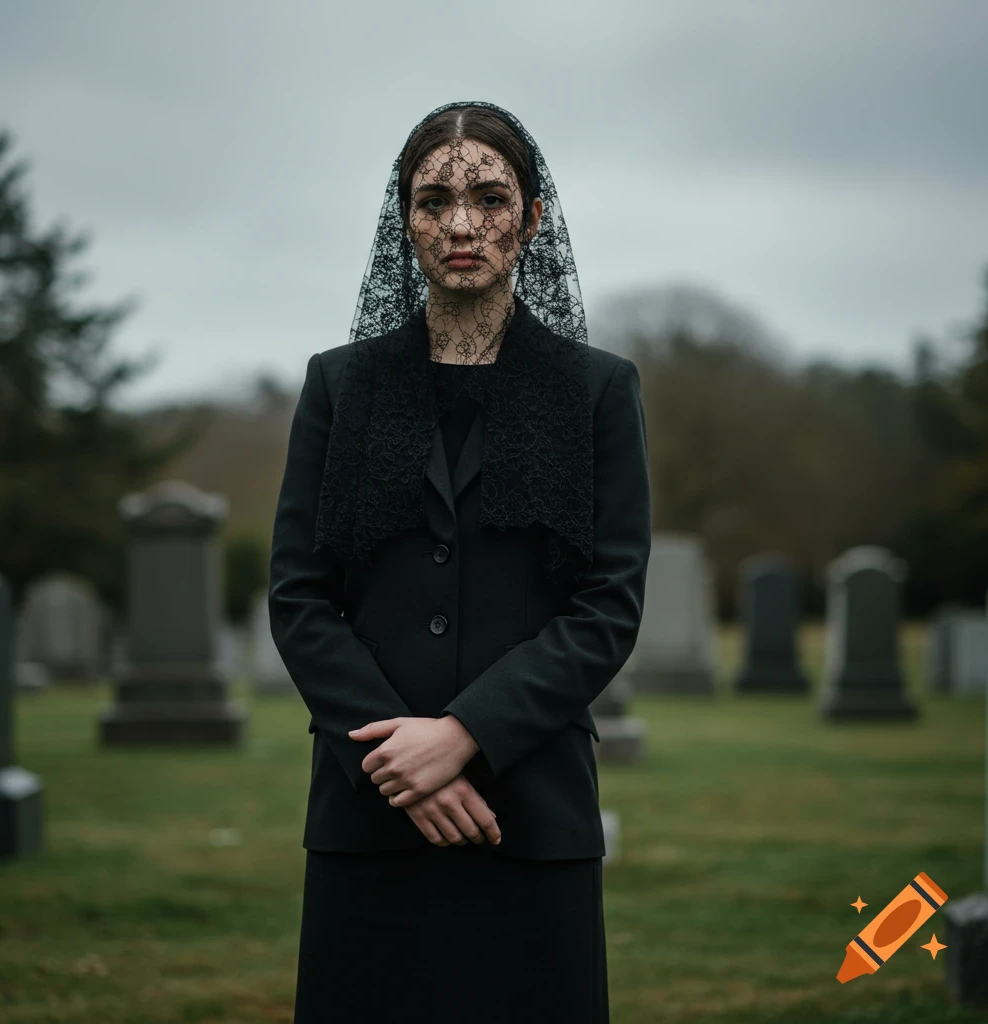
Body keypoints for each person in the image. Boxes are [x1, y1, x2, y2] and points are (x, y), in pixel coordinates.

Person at [269, 99, 651, 1024]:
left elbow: (608, 604)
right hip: (369, 814)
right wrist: (397, 756)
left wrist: (465, 734)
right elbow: (300, 595)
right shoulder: (339, 384)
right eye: (434, 200)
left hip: (530, 816)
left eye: (489, 196)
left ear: (534, 215)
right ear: (404, 218)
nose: (462, 223)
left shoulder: (596, 390)